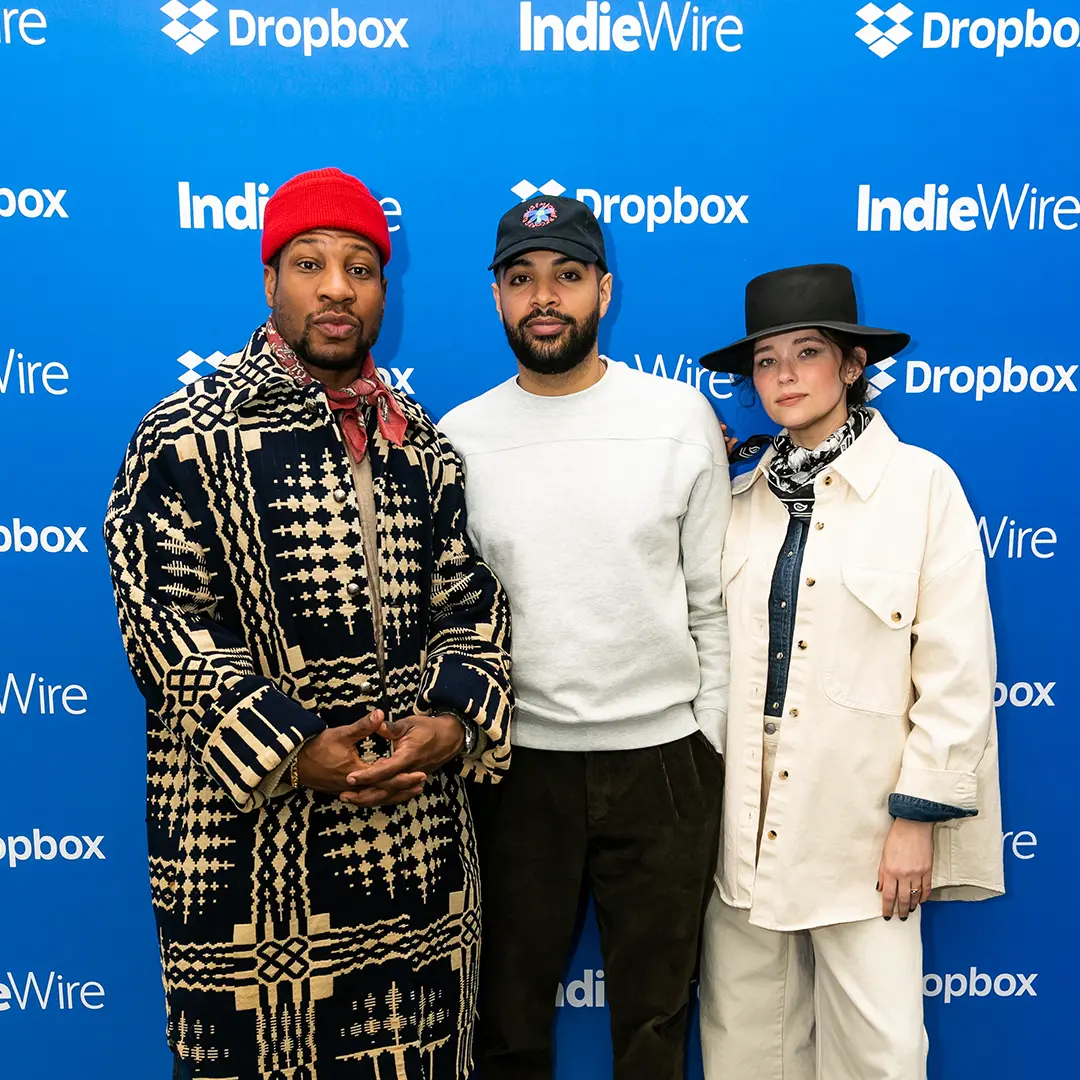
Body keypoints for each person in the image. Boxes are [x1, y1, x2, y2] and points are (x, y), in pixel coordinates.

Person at [103, 167, 514, 1080]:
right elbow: (167, 629)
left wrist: (451, 722)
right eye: (311, 263)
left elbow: (471, 602)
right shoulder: (185, 436)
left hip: (413, 852)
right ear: (269, 281)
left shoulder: (420, 440)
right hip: (249, 855)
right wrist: (295, 748)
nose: (337, 287)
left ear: (381, 291)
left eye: (361, 267)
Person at [439, 195, 729, 1080]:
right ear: (496, 296)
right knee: (507, 1024)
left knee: (655, 1026)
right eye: (521, 279)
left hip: (663, 765)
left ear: (605, 289)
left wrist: (706, 749)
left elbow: (713, 606)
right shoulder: (457, 436)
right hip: (516, 772)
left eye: (567, 276)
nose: (545, 298)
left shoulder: (676, 419)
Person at [695, 263, 1004, 1080]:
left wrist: (916, 822)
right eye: (766, 360)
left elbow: (957, 668)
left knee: (881, 1057)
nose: (785, 375)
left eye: (807, 352)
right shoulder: (737, 497)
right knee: (743, 1051)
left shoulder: (922, 487)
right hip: (744, 825)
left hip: (864, 831)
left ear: (853, 366)